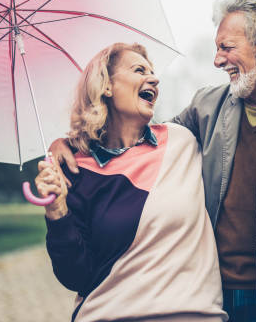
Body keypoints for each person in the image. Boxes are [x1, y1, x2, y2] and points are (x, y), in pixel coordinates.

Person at [49, 0, 256, 322]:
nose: (217, 60)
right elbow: (141, 142)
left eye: (226, 47)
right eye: (217, 48)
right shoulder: (206, 108)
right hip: (215, 299)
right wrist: (71, 144)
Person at [35, 42, 227, 322]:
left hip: (193, 314)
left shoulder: (182, 140)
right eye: (139, 70)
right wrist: (57, 212)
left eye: (152, 72)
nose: (154, 78)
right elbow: (76, 276)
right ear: (106, 86)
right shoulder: (76, 171)